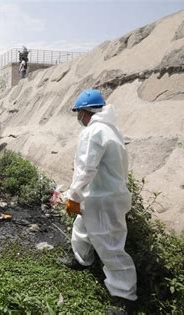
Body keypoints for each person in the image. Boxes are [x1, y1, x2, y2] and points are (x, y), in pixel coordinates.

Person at [61, 89, 137, 313]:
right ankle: (82, 260)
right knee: (81, 229)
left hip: (103, 199)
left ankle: (125, 298)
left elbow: (86, 168)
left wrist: (73, 196)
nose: (78, 118)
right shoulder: (111, 130)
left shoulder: (93, 131)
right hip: (101, 195)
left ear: (85, 111)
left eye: (78, 113)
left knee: (110, 245)